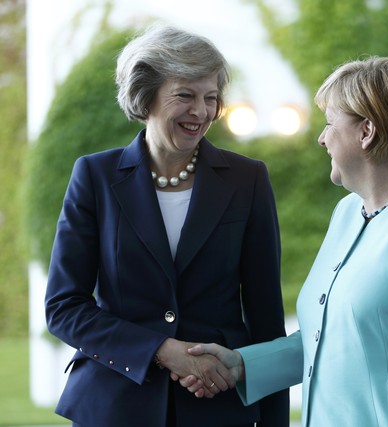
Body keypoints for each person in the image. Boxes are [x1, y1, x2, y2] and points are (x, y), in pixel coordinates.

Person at [180, 57, 388, 426]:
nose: (322, 137)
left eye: (330, 124)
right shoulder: (348, 212)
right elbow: (327, 339)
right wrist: (243, 365)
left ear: (367, 131)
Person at [44, 25, 289, 427]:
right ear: (146, 97)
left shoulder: (249, 179)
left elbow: (266, 320)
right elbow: (63, 307)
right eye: (185, 96)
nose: (201, 111)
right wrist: (160, 349)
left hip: (219, 408)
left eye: (211, 98)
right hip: (115, 405)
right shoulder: (94, 176)